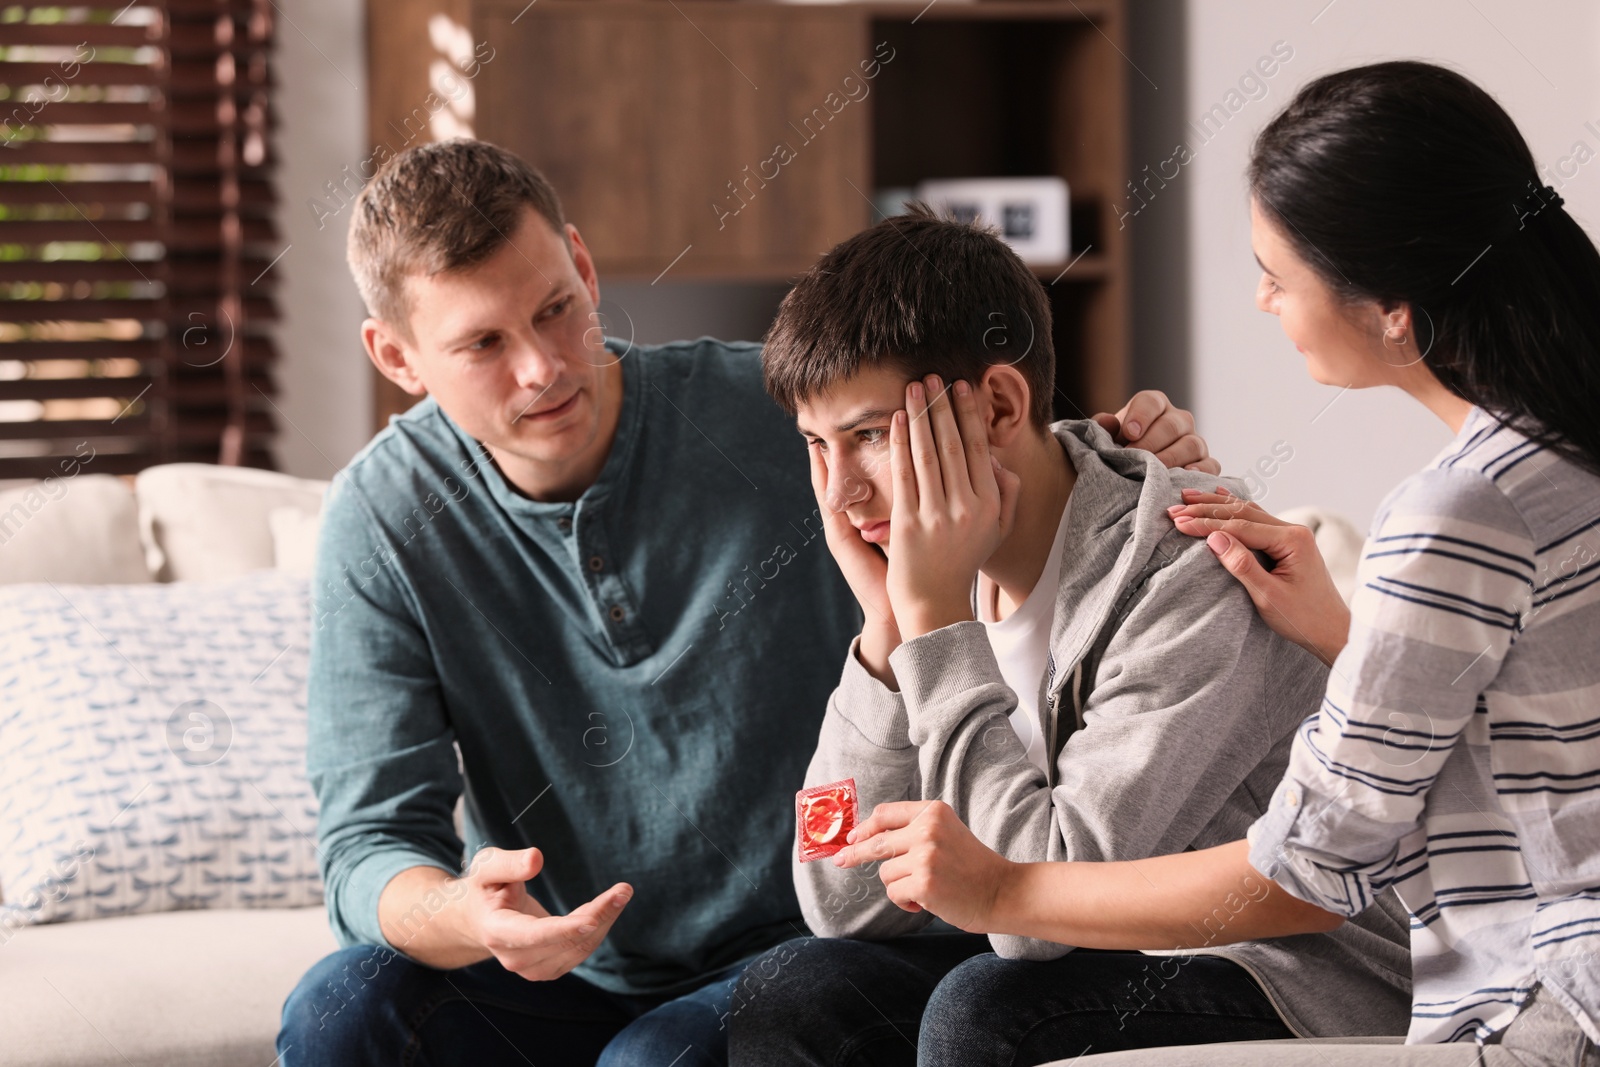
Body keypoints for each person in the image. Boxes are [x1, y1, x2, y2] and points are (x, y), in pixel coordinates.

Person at [273, 138, 1212, 1067]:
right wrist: (462, 914)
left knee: (656, 1057)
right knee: (340, 1008)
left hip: (807, 948)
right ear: (395, 357)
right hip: (565, 973)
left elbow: (973, 457)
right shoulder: (382, 516)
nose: (543, 368)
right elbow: (368, 838)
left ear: (585, 266)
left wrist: (1127, 452)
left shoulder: (771, 417)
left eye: (557, 309)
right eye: (483, 343)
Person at [824, 61, 1600, 1066]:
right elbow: (1548, 730)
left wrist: (1002, 883)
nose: (1262, 297)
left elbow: (1307, 873)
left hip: (1540, 1013)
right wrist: (1351, 636)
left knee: (986, 1008)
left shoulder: (1456, 511)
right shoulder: (1552, 462)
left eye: (1278, 271)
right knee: (814, 990)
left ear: (1390, 306)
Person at [724, 204, 1414, 1067]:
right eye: (817, 447)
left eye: (868, 436)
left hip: (1291, 975)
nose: (842, 497)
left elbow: (1036, 910)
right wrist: (885, 639)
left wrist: (935, 626)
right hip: (1094, 956)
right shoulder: (930, 570)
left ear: (1001, 404)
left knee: (994, 1011)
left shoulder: (1192, 569)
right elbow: (840, 896)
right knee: (795, 990)